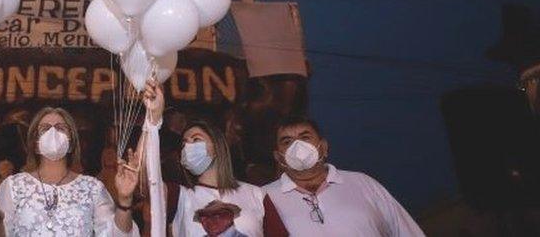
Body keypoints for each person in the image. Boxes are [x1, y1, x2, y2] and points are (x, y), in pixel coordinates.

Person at [142, 81, 287, 237]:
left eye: (196, 139)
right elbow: (146, 177)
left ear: (217, 147)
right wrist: (152, 120)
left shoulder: (256, 195)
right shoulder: (179, 196)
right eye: (184, 144)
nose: (188, 147)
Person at [262, 115, 424, 236]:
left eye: (305, 137)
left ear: (323, 147)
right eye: (287, 141)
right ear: (278, 156)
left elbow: (406, 231)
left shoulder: (363, 184)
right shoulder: (262, 198)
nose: (297, 146)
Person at [0, 106, 140, 235]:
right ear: (35, 144)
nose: (53, 133)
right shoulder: (13, 186)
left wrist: (125, 200)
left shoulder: (92, 188)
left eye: (60, 128)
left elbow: (116, 235)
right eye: (45, 128)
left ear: (72, 143)